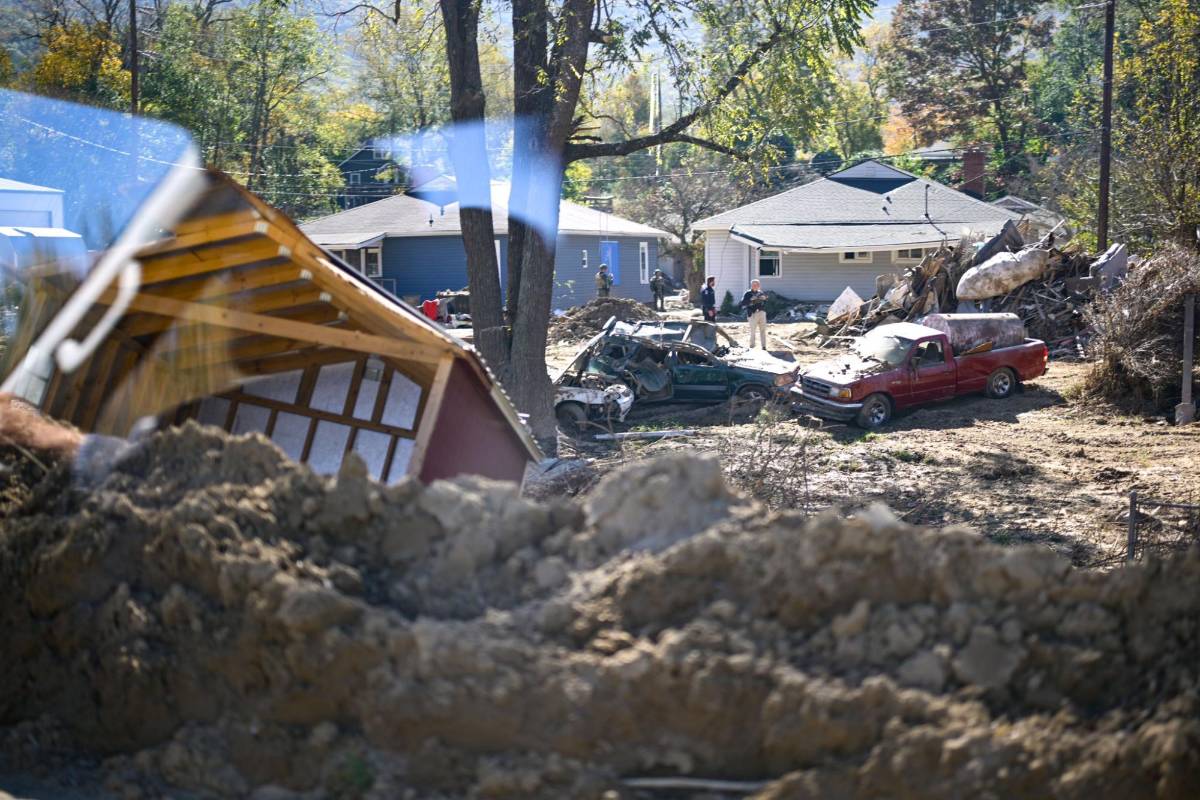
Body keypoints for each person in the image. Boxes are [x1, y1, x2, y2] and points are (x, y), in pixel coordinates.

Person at [740, 279, 769, 349]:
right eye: (753, 285)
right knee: (753, 331)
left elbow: (765, 302)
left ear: (759, 286)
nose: (755, 286)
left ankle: (764, 346)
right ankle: (752, 346)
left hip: (761, 313)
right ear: (751, 285)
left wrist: (764, 299)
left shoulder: (761, 292)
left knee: (763, 330)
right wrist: (751, 300)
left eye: (756, 285)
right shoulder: (748, 293)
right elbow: (742, 303)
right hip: (753, 314)